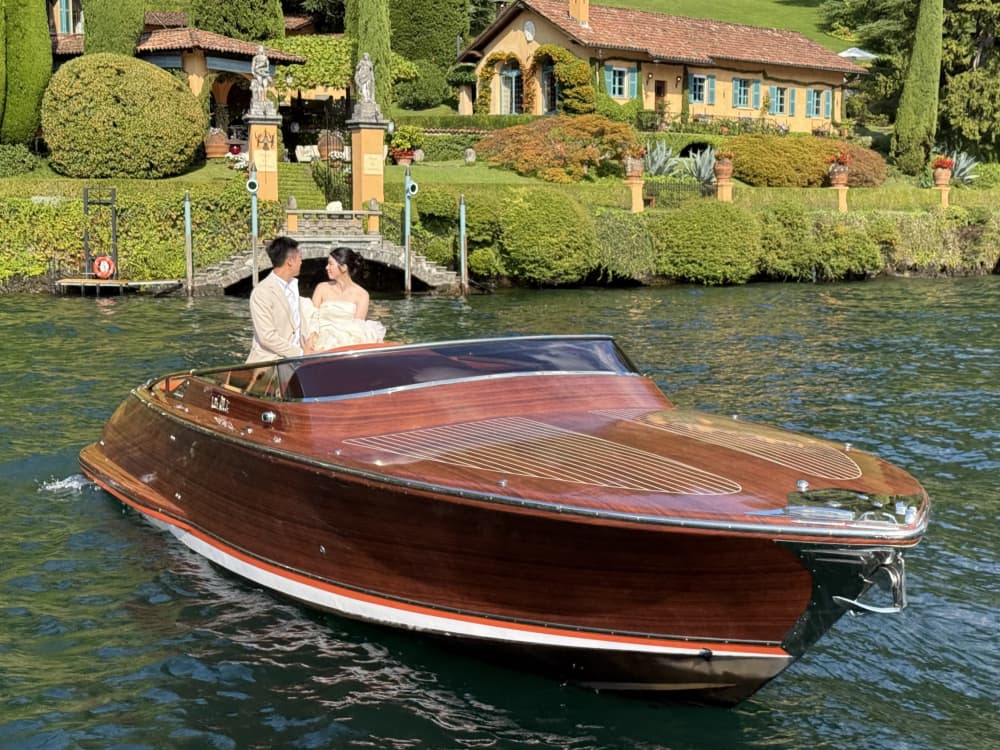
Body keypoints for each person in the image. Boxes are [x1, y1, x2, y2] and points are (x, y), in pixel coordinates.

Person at [246, 237, 315, 363]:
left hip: (299, 357)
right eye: (300, 258)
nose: (301, 262)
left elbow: (299, 325)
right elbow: (267, 337)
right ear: (290, 261)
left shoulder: (293, 286)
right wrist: (300, 353)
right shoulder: (262, 292)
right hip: (271, 360)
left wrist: (309, 344)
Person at [305, 247, 386, 350]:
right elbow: (312, 318)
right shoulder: (321, 288)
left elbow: (357, 329)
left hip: (346, 342)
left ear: (343, 267)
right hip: (319, 339)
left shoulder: (362, 294)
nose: (326, 267)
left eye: (330, 264)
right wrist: (312, 338)